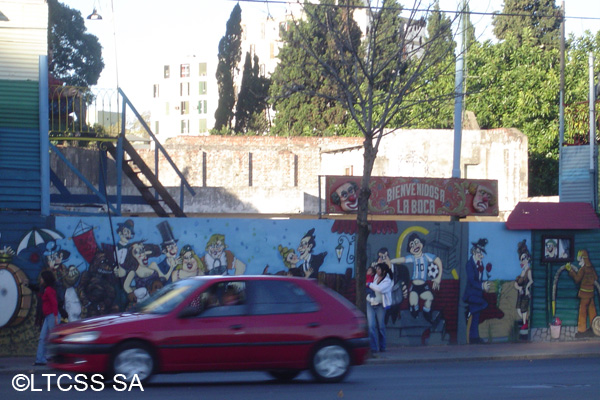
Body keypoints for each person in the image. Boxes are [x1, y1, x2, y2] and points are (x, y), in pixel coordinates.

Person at [463, 238, 491, 344]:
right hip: (470, 294)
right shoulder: (469, 264)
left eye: (481, 252)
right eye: (478, 252)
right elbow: (472, 281)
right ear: (474, 251)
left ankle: (474, 337)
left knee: (476, 316)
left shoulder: (481, 264)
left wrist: (485, 286)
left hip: (477, 294)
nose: (480, 254)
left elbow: (479, 279)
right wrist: (482, 286)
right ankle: (468, 312)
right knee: (483, 304)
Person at [566, 249, 598, 338]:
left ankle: (582, 331)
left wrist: (570, 270)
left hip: (584, 295)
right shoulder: (591, 268)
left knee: (582, 312)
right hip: (591, 294)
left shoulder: (583, 269)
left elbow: (577, 279)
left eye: (580, 260)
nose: (579, 262)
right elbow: (595, 277)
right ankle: (594, 329)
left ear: (584, 259)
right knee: (592, 311)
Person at [366, 262, 393, 354]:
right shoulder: (375, 277)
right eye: (376, 269)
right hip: (370, 303)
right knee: (371, 326)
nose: (376, 270)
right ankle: (373, 348)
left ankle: (382, 347)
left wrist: (369, 284)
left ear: (384, 271)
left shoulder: (388, 281)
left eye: (379, 269)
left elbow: (380, 289)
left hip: (380, 306)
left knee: (381, 327)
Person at [34, 270, 59, 366]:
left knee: (50, 337)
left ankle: (45, 357)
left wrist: (56, 316)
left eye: (41, 278)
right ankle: (40, 359)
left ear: (45, 279)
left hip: (52, 315)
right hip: (49, 316)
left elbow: (54, 303)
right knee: (44, 337)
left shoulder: (49, 290)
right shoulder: (46, 289)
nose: (40, 279)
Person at [514, 240, 533, 330]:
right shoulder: (522, 271)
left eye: (524, 259)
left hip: (525, 293)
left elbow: (531, 281)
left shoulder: (528, 270)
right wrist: (518, 287)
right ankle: (525, 321)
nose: (522, 261)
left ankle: (525, 323)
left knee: (523, 309)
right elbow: (517, 282)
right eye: (521, 259)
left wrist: (527, 288)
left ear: (528, 258)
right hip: (520, 293)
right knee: (518, 309)